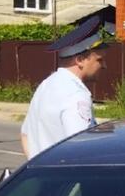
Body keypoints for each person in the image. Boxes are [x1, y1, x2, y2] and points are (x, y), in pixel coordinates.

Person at [20, 16, 109, 159]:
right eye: (99, 60)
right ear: (80, 60)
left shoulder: (46, 85)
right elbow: (82, 149)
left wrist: (36, 166)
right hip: (63, 178)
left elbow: (25, 136)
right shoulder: (76, 95)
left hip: (43, 175)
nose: (104, 66)